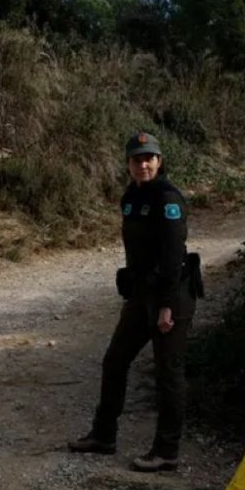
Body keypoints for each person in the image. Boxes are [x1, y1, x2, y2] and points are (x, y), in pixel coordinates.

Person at [69, 132, 199, 472]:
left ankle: (166, 451)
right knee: (115, 361)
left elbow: (173, 255)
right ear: (128, 164)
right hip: (142, 296)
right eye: (136, 159)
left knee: (168, 373)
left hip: (171, 296)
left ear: (159, 161)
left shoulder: (167, 198)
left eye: (149, 158)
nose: (143, 164)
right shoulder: (130, 197)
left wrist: (167, 305)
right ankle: (103, 436)